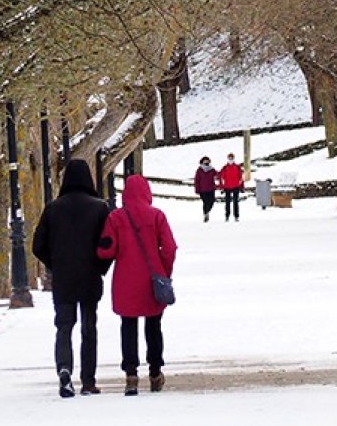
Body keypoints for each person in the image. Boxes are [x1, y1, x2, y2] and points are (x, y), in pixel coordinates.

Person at [32, 159, 113, 398]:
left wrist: (54, 263)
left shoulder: (53, 208)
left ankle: (64, 370)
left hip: (64, 278)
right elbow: (108, 243)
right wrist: (100, 266)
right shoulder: (99, 208)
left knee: (64, 327)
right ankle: (88, 380)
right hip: (89, 276)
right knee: (89, 328)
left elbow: (38, 245)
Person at [97, 175, 178, 396]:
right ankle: (155, 372)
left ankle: (131, 375)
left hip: (126, 281)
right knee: (154, 327)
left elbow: (106, 251)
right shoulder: (157, 216)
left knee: (128, 326)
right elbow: (169, 248)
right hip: (152, 282)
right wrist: (164, 271)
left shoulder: (116, 218)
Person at [218, 153, 244, 222]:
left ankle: (236, 216)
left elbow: (241, 177)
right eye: (229, 158)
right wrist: (221, 187)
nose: (230, 159)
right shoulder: (225, 167)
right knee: (227, 203)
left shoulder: (237, 167)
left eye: (231, 158)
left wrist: (241, 187)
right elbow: (221, 177)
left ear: (233, 158)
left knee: (236, 202)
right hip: (227, 187)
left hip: (236, 186)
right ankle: (227, 215)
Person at [194, 156, 219, 222]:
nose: (206, 162)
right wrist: (197, 189)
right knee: (205, 202)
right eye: (205, 161)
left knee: (212, 201)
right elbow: (197, 180)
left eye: (207, 161)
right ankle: (206, 214)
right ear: (202, 162)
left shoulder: (212, 169)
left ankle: (207, 212)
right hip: (202, 189)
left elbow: (218, 175)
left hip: (211, 189)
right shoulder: (199, 170)